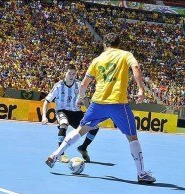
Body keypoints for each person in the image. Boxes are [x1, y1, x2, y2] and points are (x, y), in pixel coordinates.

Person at [45, 33, 156, 183]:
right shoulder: (125, 55)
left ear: (105, 44)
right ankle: (141, 174)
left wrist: (80, 98)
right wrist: (141, 89)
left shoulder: (97, 60)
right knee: (132, 137)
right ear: (118, 43)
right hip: (118, 103)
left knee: (80, 130)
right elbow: (135, 67)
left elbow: (84, 83)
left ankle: (56, 154)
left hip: (98, 103)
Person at [42, 64, 99, 163]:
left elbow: (85, 99)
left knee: (95, 127)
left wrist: (91, 113)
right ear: (65, 73)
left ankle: (83, 148)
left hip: (76, 112)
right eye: (70, 73)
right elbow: (46, 101)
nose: (72, 76)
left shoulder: (78, 85)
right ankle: (61, 154)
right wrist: (44, 116)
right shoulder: (58, 86)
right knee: (64, 125)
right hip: (62, 111)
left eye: (74, 74)